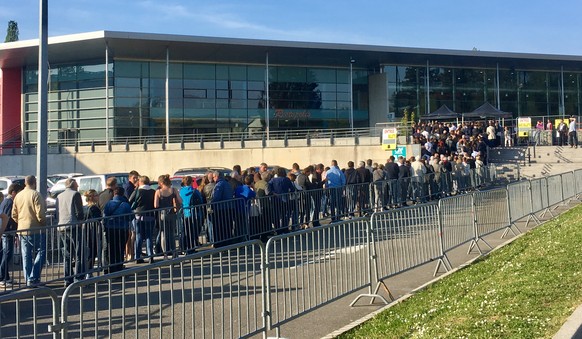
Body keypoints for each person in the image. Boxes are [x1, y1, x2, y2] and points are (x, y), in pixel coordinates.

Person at [12, 175, 47, 287]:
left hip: (22, 229)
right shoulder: (36, 194)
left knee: (26, 255)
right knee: (41, 252)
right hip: (36, 228)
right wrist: (43, 223)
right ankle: (34, 276)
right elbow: (40, 214)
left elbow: (14, 214)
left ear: (25, 183)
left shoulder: (18, 195)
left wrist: (20, 221)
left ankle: (28, 279)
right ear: (34, 182)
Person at [56, 178, 86, 287]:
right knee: (79, 252)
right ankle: (79, 277)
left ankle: (68, 279)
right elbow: (79, 211)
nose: (78, 186)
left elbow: (57, 212)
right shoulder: (75, 194)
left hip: (62, 226)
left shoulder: (59, 196)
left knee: (67, 254)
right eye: (77, 185)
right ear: (73, 185)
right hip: (73, 225)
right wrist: (81, 221)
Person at [103, 187, 132, 273]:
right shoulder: (125, 205)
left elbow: (104, 217)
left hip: (110, 229)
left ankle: (111, 268)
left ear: (114, 194)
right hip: (122, 229)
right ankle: (119, 269)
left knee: (111, 249)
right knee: (120, 249)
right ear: (123, 194)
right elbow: (130, 217)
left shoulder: (108, 204)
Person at [0, 183, 23, 287]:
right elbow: (8, 218)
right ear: (13, 193)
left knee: (6, 254)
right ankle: (2, 277)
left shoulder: (6, 201)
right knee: (7, 254)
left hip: (7, 232)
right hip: (7, 232)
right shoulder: (9, 202)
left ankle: (6, 277)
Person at [129, 176, 156, 264]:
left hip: (138, 215)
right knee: (149, 236)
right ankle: (150, 256)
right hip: (150, 215)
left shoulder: (137, 191)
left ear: (140, 182)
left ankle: (137, 256)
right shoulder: (153, 191)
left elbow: (130, 200)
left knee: (139, 236)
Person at [154, 174, 182, 259]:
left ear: (161, 183)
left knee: (163, 234)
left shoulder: (158, 192)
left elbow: (156, 205)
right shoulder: (173, 190)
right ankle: (174, 252)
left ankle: (165, 254)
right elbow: (180, 200)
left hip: (162, 214)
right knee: (172, 233)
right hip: (172, 213)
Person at [179, 176, 204, 253]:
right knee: (193, 231)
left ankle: (183, 247)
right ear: (191, 182)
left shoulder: (181, 191)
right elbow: (201, 201)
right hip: (194, 213)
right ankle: (191, 248)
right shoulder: (194, 191)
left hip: (184, 213)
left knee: (185, 231)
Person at [83, 189, 101, 275]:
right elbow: (99, 219)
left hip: (85, 231)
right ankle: (89, 272)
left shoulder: (85, 207)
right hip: (93, 231)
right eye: (96, 195)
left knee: (88, 251)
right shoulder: (94, 208)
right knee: (92, 251)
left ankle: (87, 271)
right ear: (92, 197)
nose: (98, 197)